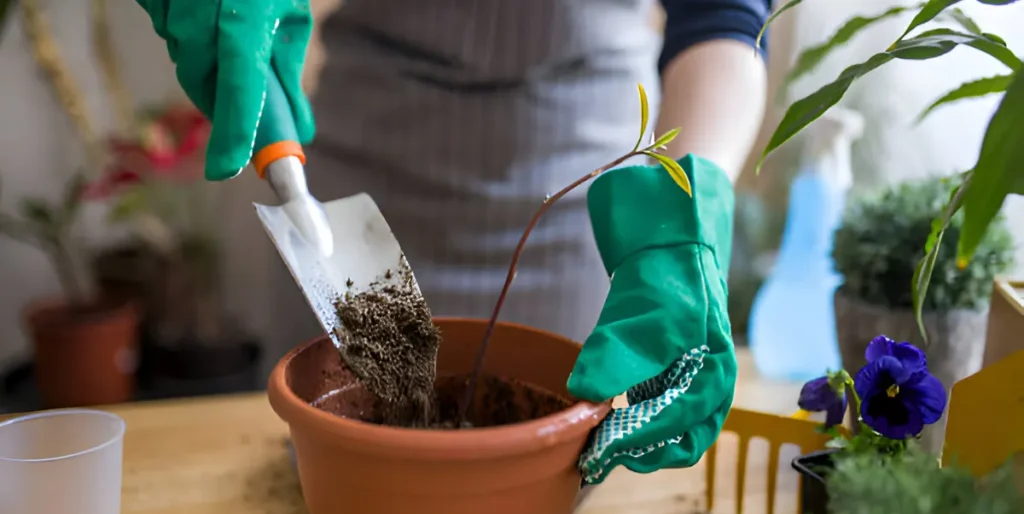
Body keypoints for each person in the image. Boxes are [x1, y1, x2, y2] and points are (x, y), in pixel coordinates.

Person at [135, 0, 769, 348]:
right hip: (364, 192)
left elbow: (721, 18)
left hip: (585, 199)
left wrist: (686, 211)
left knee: (559, 479)